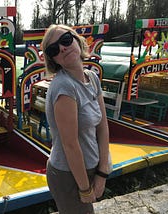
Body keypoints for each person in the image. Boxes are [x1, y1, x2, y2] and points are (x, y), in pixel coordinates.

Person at [42, 24, 110, 214]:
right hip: (69, 174)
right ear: (53, 59)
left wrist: (102, 172)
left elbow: (103, 126)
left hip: (89, 167)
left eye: (65, 40)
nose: (62, 48)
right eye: (54, 49)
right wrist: (85, 188)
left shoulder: (92, 77)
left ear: (77, 40)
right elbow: (70, 144)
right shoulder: (64, 87)